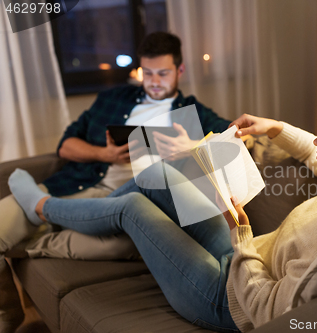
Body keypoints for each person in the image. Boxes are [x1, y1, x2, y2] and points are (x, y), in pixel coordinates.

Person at [8, 80, 317, 332]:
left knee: (133, 211)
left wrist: (238, 233)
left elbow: (268, 310)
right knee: (154, 175)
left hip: (227, 302)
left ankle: (42, 208)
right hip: (241, 261)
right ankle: (71, 218)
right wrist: (273, 127)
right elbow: (310, 155)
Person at [0, 31, 230, 332]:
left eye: (163, 73)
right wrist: (104, 153)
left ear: (180, 71)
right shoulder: (112, 99)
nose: (154, 81)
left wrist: (192, 147)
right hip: (76, 187)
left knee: (121, 241)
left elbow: (234, 141)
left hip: (132, 204)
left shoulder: (194, 114)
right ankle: (7, 316)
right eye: (147, 73)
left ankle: (40, 220)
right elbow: (65, 145)